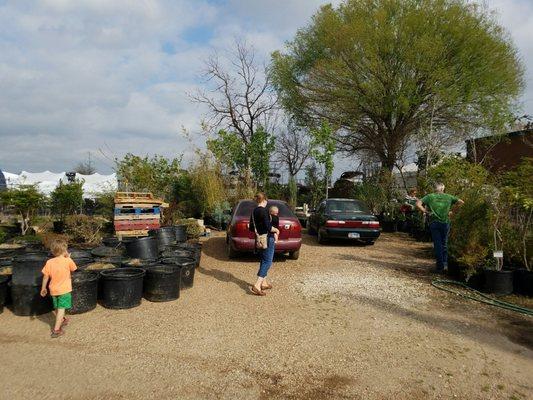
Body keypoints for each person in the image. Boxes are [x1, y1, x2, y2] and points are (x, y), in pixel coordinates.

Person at [416, 183, 464, 273]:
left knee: (438, 245)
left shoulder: (430, 196)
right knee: (444, 243)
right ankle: (445, 265)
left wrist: (425, 211)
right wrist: (452, 212)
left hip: (434, 222)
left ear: (435, 189)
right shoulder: (449, 197)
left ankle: (440, 267)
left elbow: (418, 203)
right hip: (445, 223)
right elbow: (461, 202)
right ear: (443, 189)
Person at [40, 239, 77, 338]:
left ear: (53, 251)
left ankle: (63, 319)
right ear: (65, 250)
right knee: (61, 308)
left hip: (53, 290)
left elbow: (45, 276)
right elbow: (74, 269)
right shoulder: (67, 260)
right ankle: (56, 330)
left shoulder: (49, 262)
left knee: (57, 306)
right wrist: (68, 258)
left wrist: (43, 288)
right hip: (64, 290)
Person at [249, 192, 279, 296]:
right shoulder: (264, 211)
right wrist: (276, 230)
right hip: (267, 238)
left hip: (259, 239)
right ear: (264, 200)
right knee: (268, 261)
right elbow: (268, 226)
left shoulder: (254, 211)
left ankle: (264, 282)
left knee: (263, 259)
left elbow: (251, 228)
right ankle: (257, 285)